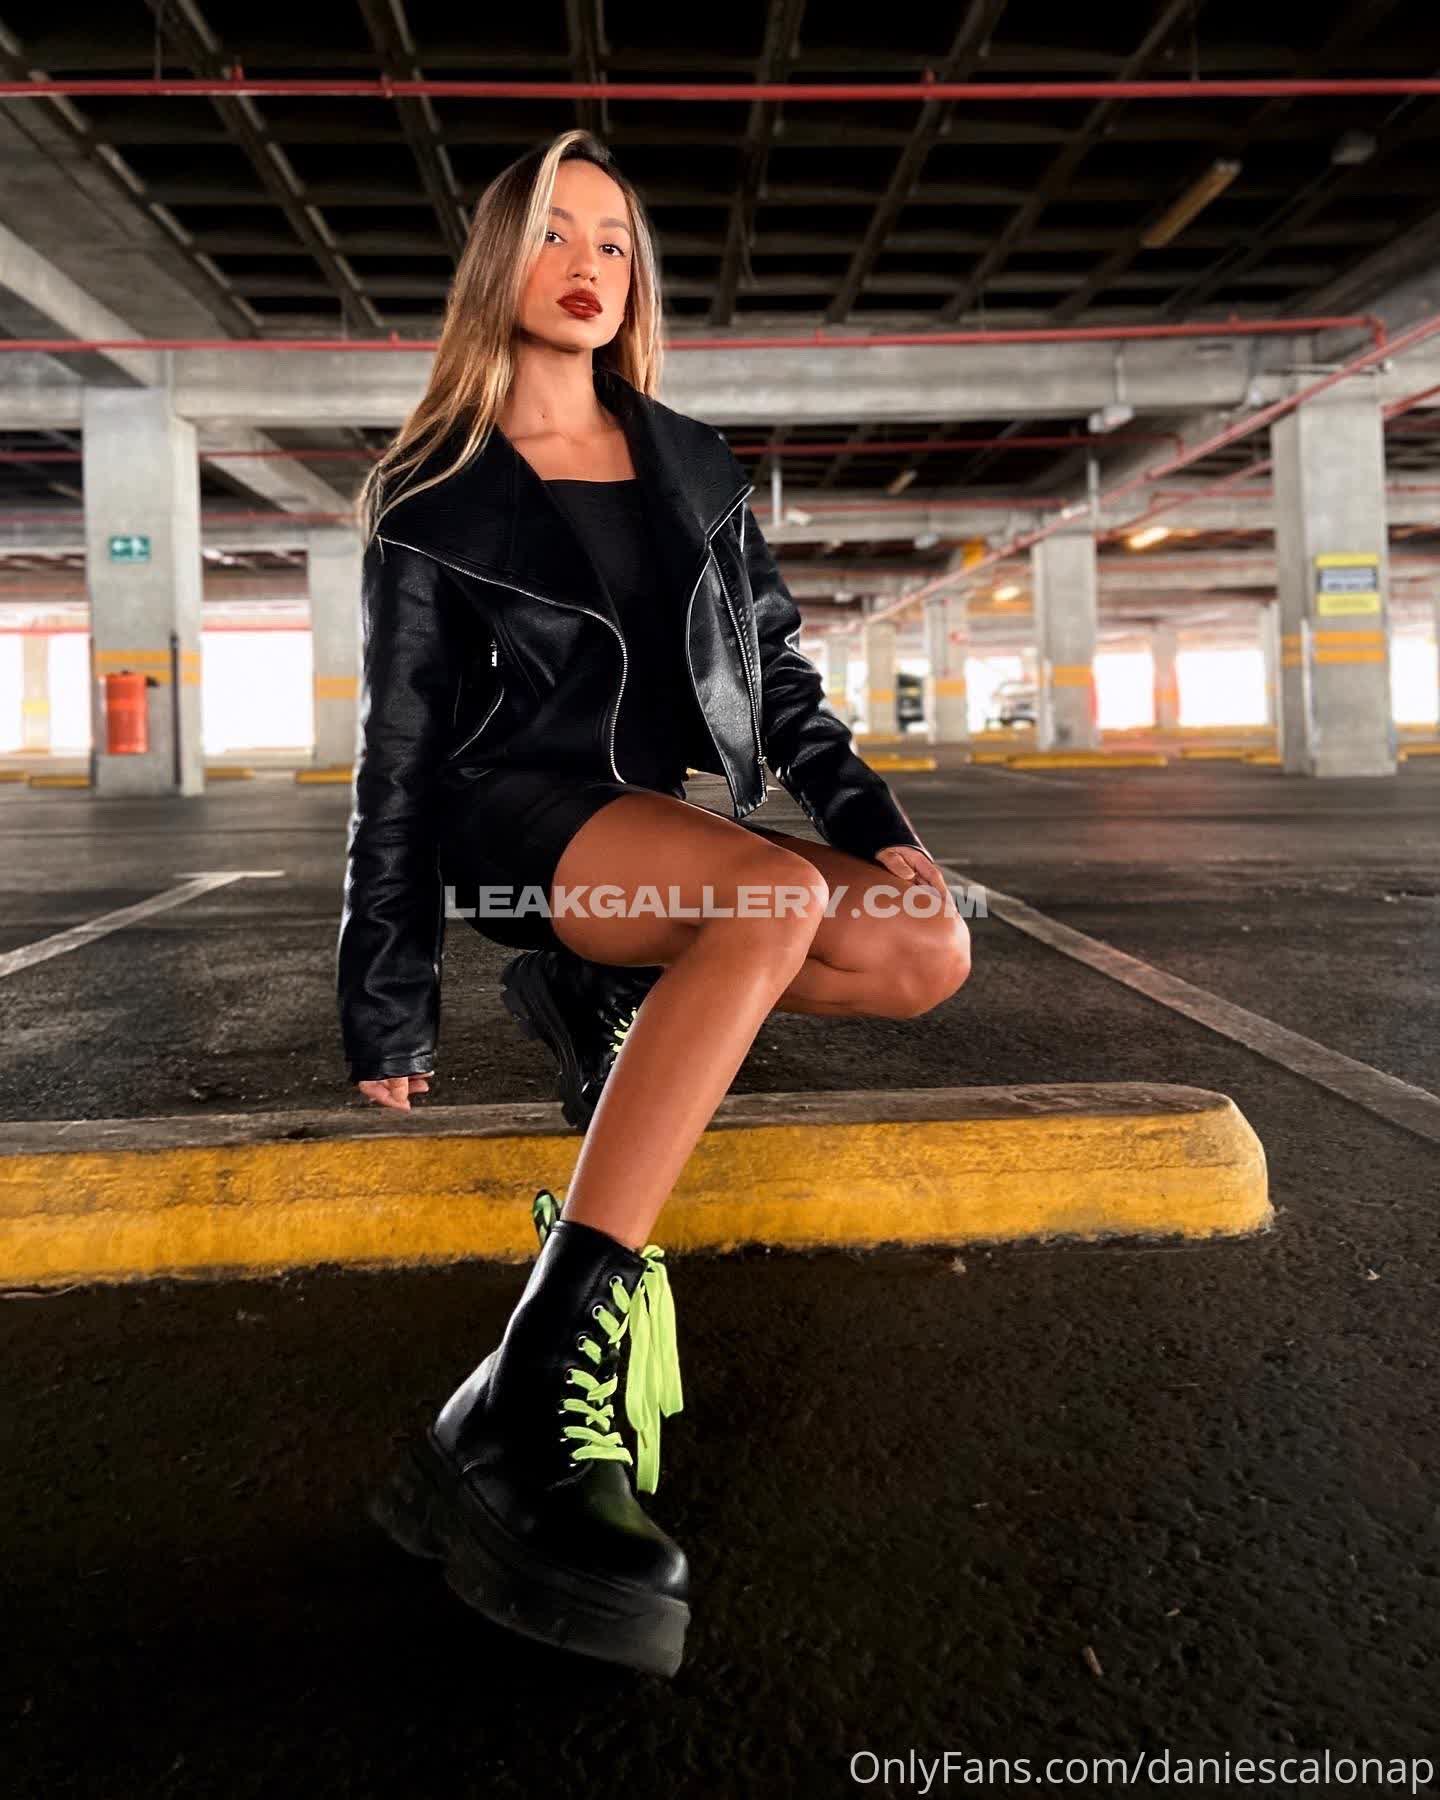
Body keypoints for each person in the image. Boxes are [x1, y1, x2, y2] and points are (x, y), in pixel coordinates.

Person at [337, 127, 971, 1678]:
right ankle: (529, 1384)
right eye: (556, 233)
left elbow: (783, 682)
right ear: (501, 266)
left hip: (658, 831)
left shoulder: (693, 462)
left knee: (921, 951)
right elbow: (399, 757)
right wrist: (386, 992)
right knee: (763, 903)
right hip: (517, 816)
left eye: (614, 240)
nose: (590, 266)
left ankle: (613, 991)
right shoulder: (434, 496)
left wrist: (877, 828)